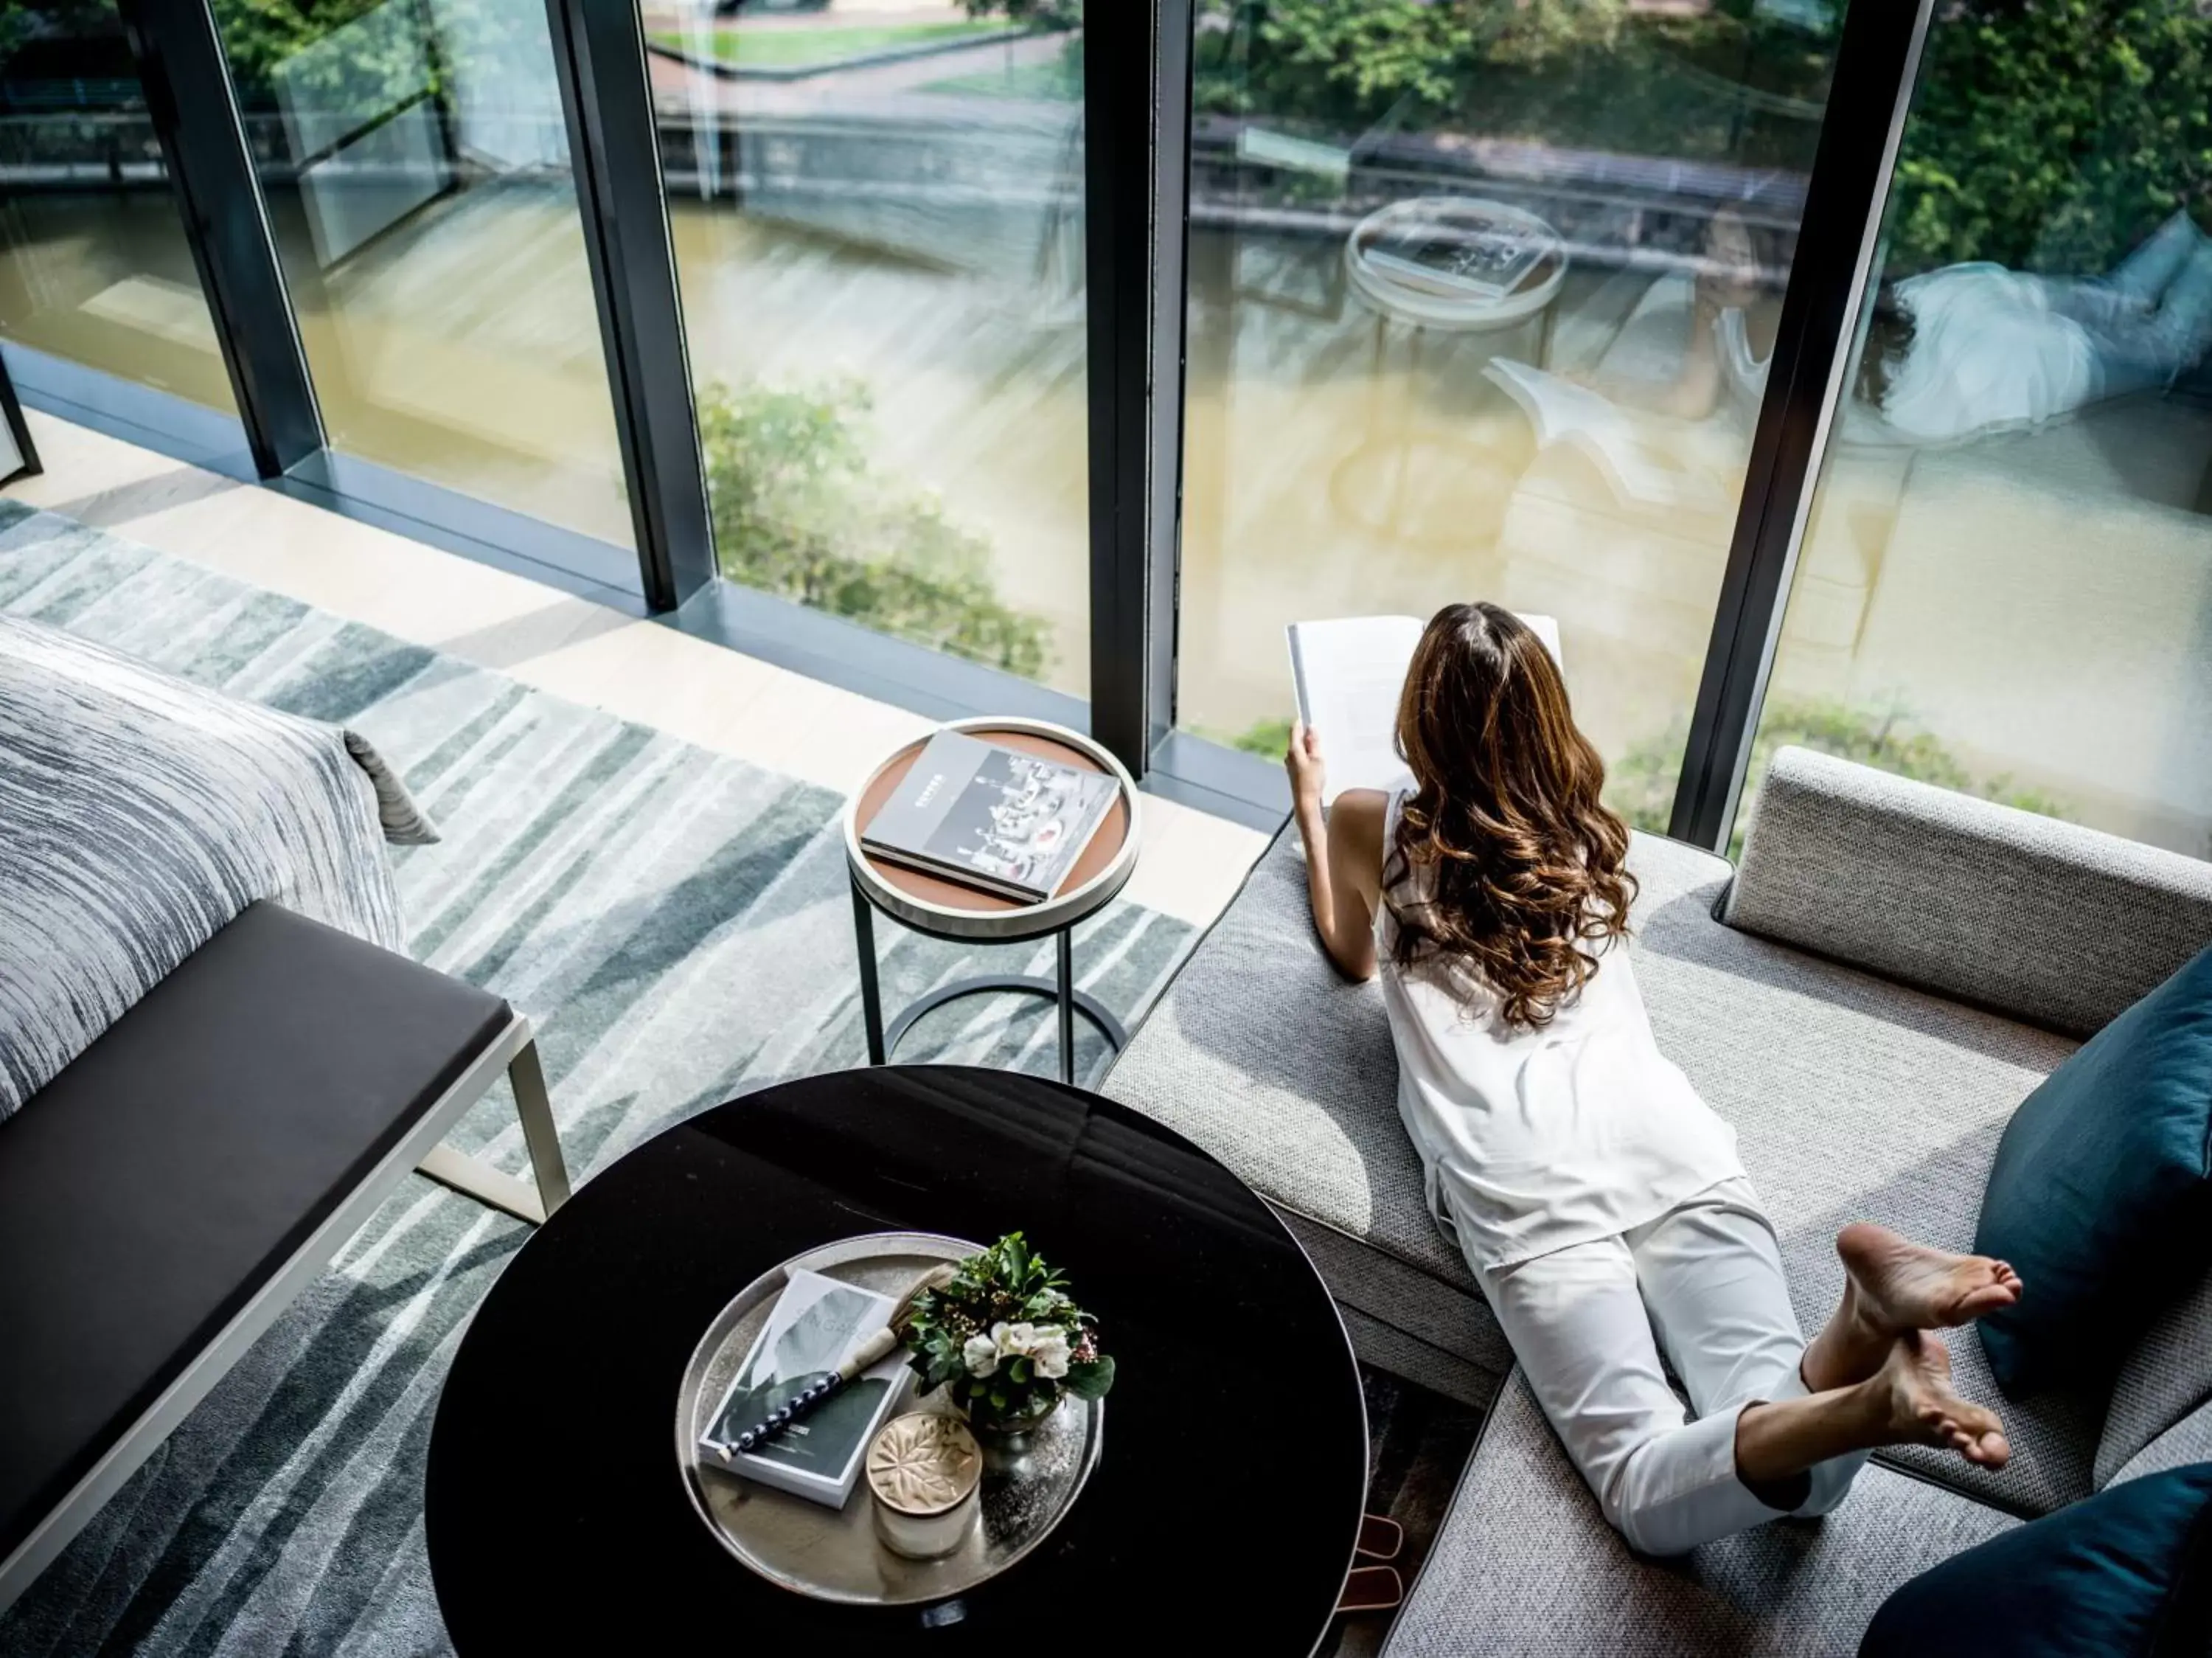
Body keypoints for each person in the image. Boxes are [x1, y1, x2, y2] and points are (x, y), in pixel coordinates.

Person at [1284, 603, 2021, 1555]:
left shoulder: (1367, 824)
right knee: (1800, 1480)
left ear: (1419, 717)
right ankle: (1865, 1327)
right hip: (1667, 1140)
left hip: (1524, 1180)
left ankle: (1873, 1379)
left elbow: (1349, 957)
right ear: (1550, 718)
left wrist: (1310, 798)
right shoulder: (1592, 833)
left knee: (1646, 1484)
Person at [1639, 206, 2212, 443]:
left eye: (1734, 258)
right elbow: (1691, 398)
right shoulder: (1731, 305)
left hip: (1982, 361)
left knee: (2169, 349)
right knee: (2117, 298)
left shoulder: (1800, 330)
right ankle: (2191, 223)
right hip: (1937, 303)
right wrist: (1702, 317)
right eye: (1708, 249)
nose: (1712, 269)